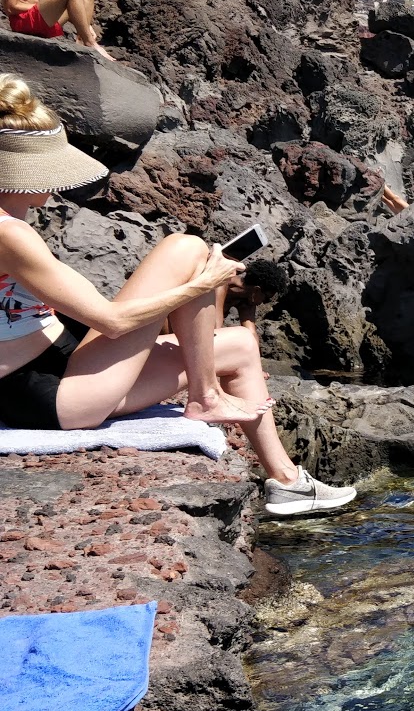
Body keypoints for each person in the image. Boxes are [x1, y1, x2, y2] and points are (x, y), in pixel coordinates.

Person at [0, 73, 351, 515]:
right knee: (188, 252)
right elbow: (110, 321)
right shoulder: (8, 233)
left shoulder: (12, 224)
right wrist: (201, 286)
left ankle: (287, 482)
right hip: (49, 399)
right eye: (46, 170)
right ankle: (206, 400)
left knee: (239, 342)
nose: (54, 183)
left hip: (59, 363)